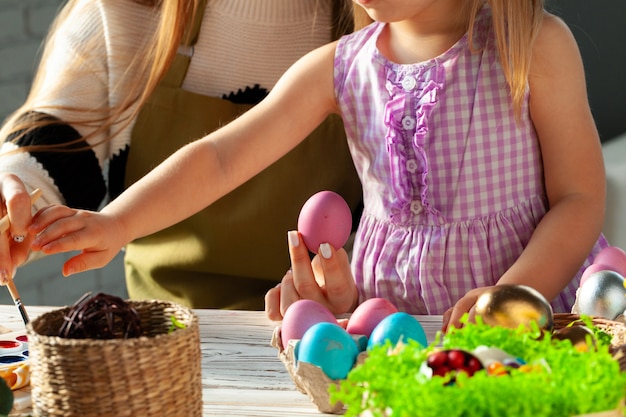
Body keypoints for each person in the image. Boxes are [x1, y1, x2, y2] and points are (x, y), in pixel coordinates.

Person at [27, 0, 608, 331]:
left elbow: (579, 197)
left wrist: (509, 300)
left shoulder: (530, 45)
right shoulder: (341, 67)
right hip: (391, 329)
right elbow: (222, 157)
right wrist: (118, 224)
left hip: (524, 317)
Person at [0, 0, 362, 309]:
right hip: (166, 338)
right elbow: (52, 142)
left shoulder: (385, 28)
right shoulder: (126, 10)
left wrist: (355, 296)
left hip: (334, 339)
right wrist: (12, 202)